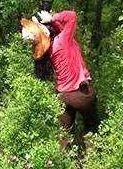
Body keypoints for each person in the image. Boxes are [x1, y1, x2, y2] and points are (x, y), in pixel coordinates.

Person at [20, 9, 98, 152]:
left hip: (63, 96)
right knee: (92, 128)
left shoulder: (48, 51)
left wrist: (50, 22)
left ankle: (59, 162)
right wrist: (52, 17)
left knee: (62, 136)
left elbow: (56, 32)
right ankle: (93, 160)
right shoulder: (63, 41)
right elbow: (72, 16)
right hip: (81, 94)